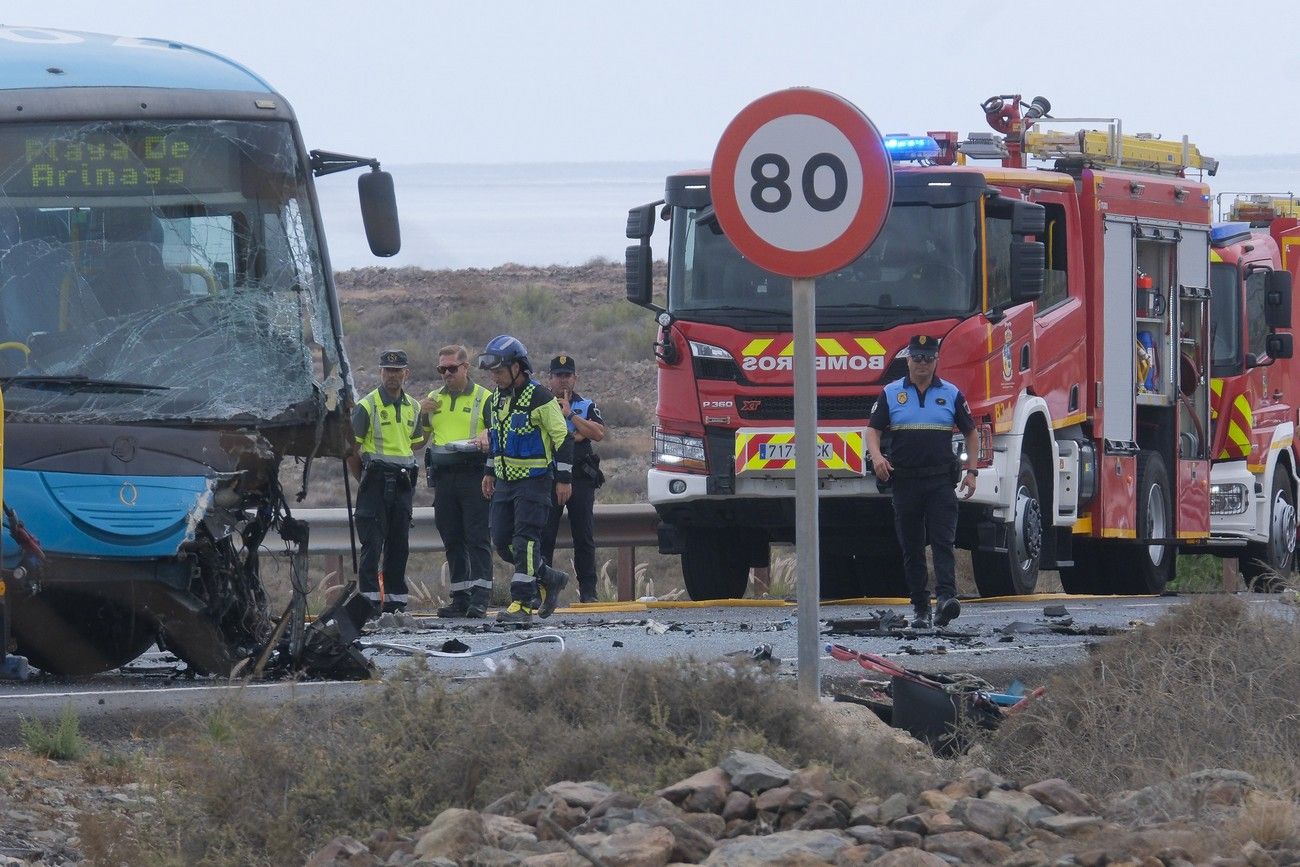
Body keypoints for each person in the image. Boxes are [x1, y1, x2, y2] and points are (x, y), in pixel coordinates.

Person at [864, 335, 978, 629]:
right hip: (905, 483)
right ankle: (920, 608)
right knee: (912, 547)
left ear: (936, 361)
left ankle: (946, 600)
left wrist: (972, 471)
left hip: (940, 482)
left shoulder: (951, 394)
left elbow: (972, 433)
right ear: (908, 360)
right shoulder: (891, 393)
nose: (922, 364)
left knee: (943, 542)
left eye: (928, 358)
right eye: (917, 358)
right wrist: (877, 458)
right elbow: (872, 431)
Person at [477, 334, 573, 625]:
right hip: (505, 482)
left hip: (535, 481)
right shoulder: (494, 399)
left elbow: (563, 438)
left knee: (526, 542)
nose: (494, 377)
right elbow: (496, 438)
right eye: (492, 372)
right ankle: (548, 577)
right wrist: (489, 471)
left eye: (499, 371)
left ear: (518, 367)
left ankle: (522, 602)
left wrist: (564, 478)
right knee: (503, 542)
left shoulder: (540, 397)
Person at [347, 349, 425, 616]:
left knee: (398, 544)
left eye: (397, 370)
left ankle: (396, 603)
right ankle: (369, 604)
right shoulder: (367, 406)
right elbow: (351, 450)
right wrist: (364, 480)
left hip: (403, 482)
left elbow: (412, 445)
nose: (392, 375)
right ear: (381, 372)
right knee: (372, 544)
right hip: (376, 481)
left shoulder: (413, 406)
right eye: (387, 370)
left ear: (406, 373)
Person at [420, 344, 495, 618]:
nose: (447, 374)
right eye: (442, 369)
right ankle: (460, 597)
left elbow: (497, 434)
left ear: (466, 367)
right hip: (444, 478)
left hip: (474, 475)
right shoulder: (432, 398)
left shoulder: (484, 398)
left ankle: (481, 597)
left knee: (477, 537)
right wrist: (418, 413)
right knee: (452, 537)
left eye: (452, 368)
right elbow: (418, 439)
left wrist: (489, 434)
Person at [540, 354, 606, 603]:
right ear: (550, 378)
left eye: (567, 375)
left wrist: (571, 416)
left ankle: (588, 592)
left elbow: (597, 433)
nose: (563, 381)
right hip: (549, 477)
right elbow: (553, 437)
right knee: (544, 536)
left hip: (580, 478)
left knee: (584, 536)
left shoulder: (586, 405)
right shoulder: (541, 403)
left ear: (575, 378)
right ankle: (542, 590)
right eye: (558, 375)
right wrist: (576, 434)